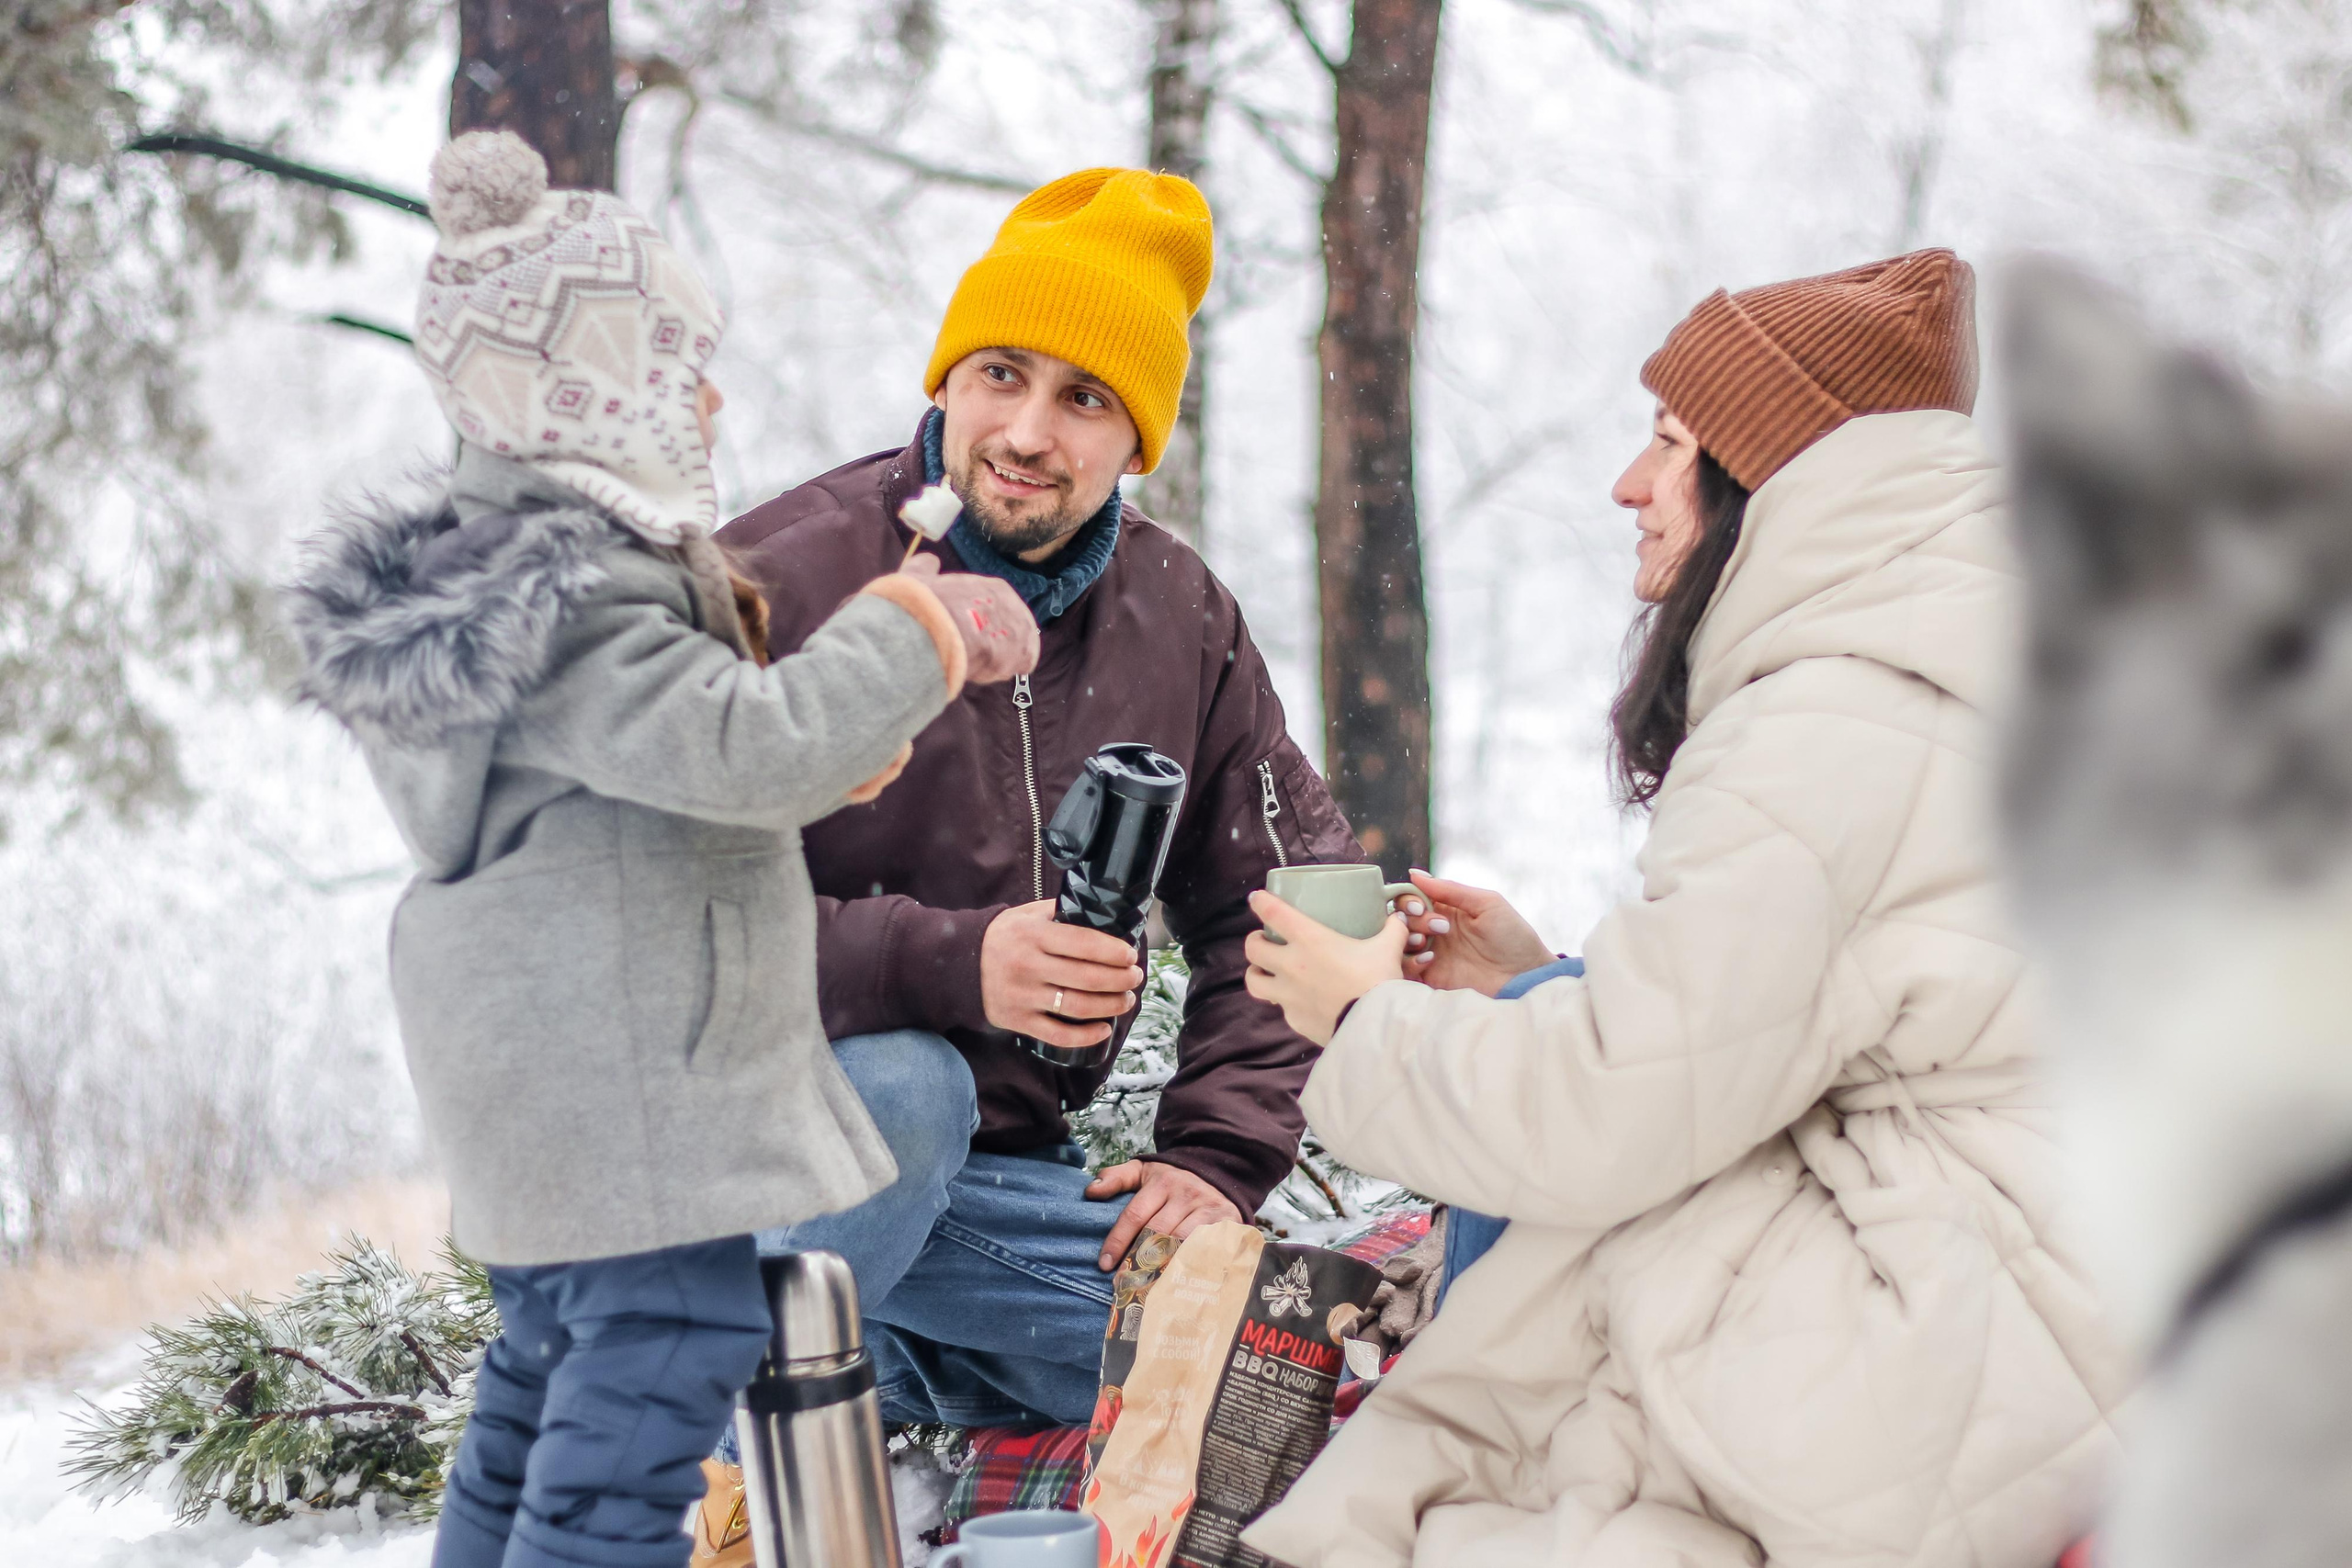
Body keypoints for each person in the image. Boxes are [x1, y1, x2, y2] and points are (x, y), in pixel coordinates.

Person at [1238, 251, 2130, 1568]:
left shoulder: (1834, 718)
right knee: (1561, 1065)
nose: (1628, 484)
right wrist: (1538, 982)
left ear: (1774, 475)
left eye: (1668, 443)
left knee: (1541, 1312)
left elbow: (1615, 1110)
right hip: (2067, 1271)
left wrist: (1365, 1021)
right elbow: (1829, 1008)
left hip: (1941, 1329)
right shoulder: (1952, 662)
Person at [283, 131, 1038, 1568]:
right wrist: (917, 628)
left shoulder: (524, 584)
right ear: (593, 390)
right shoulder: (581, 596)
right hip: (624, 1101)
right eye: (683, 367)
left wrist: (825, 743)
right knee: (652, 1386)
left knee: (543, 1390)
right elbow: (749, 750)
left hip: (556, 1093)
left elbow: (664, 782)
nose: (711, 398)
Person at [688, 164, 1364, 1553]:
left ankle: (886, 1361)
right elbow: (630, 922)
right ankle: (700, 1465)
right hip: (726, 1149)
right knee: (908, 1086)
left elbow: (1293, 900)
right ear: (947, 378)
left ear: (1138, 439)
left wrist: (1216, 1159)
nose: (1028, 432)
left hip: (992, 1177)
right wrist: (948, 964)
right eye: (1001, 374)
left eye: (1086, 398)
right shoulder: (778, 577)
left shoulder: (1180, 617)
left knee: (1238, 1349)